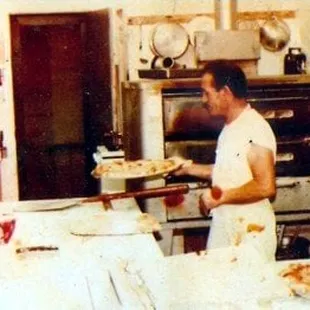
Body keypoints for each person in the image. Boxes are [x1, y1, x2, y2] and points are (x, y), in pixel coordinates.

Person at [174, 60, 277, 262]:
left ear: (226, 93)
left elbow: (266, 186)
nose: (203, 99)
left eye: (207, 93)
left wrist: (219, 198)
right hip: (229, 225)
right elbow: (229, 171)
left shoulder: (254, 128)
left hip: (250, 233)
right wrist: (186, 168)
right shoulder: (231, 127)